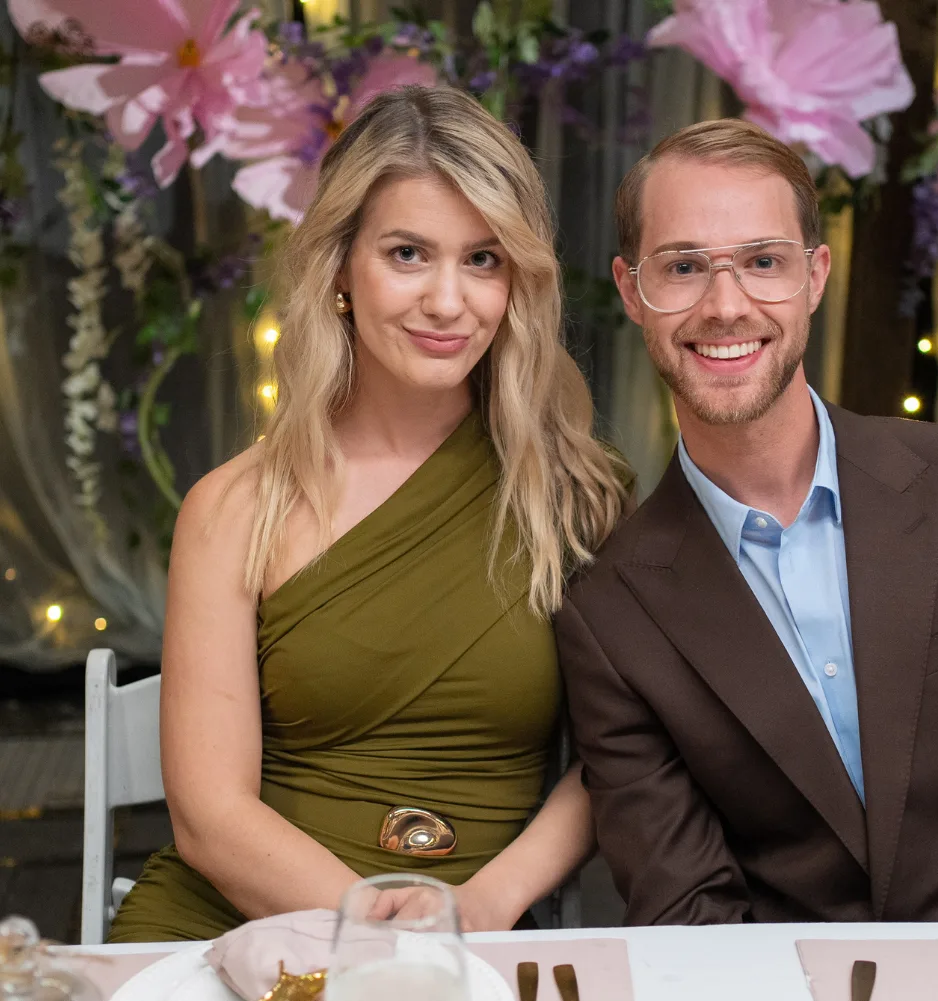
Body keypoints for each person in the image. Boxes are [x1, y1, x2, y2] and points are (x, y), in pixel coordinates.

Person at [554, 118, 938, 925]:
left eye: (763, 262)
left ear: (815, 276)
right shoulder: (609, 615)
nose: (726, 306)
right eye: (685, 266)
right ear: (634, 292)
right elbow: (689, 908)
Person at [108, 85, 630, 942]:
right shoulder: (234, 508)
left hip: (469, 940)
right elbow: (209, 816)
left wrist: (485, 904)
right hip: (237, 927)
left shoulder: (578, 496)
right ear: (341, 267)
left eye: (483, 259)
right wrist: (376, 931)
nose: (448, 301)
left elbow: (621, 755)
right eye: (408, 253)